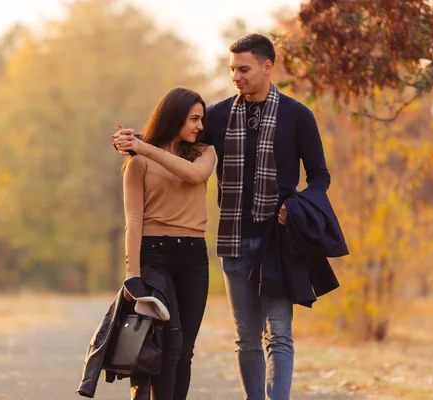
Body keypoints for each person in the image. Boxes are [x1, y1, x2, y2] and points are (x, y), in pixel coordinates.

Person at [113, 33, 341, 400]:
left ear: (268, 68)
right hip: (233, 242)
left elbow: (320, 177)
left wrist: (297, 205)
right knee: (245, 337)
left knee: (279, 332)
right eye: (232, 68)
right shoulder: (217, 116)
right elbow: (177, 142)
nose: (235, 75)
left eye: (243, 68)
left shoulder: (298, 116)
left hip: (278, 244)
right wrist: (133, 140)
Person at [116, 87, 217, 399]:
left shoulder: (204, 153)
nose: (200, 126)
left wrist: (144, 147)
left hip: (193, 259)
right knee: (169, 343)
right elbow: (133, 221)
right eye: (193, 119)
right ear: (175, 118)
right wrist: (133, 274)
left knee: (185, 348)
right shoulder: (138, 164)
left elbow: (193, 175)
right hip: (154, 256)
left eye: (202, 119)